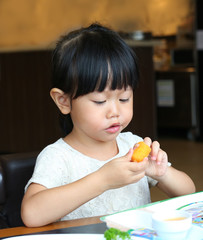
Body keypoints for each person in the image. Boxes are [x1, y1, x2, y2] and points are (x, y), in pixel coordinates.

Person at [21, 23, 195, 227]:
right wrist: (103, 180)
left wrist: (162, 172)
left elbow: (189, 194)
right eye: (100, 102)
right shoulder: (58, 158)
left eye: (124, 99)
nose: (115, 112)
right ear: (64, 101)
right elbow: (31, 215)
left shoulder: (132, 145)